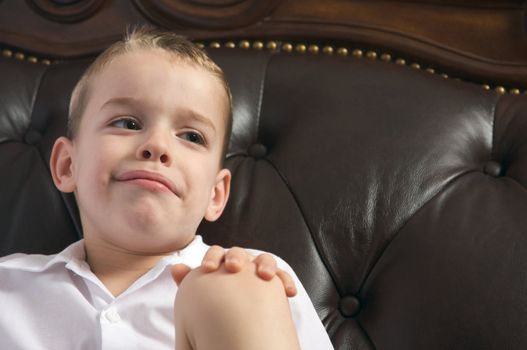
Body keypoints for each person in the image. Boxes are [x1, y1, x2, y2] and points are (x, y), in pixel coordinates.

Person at [0, 26, 334, 350]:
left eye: (191, 136)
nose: (157, 145)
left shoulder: (257, 278)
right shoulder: (9, 287)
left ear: (216, 194)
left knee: (231, 291)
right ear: (67, 165)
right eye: (127, 123)